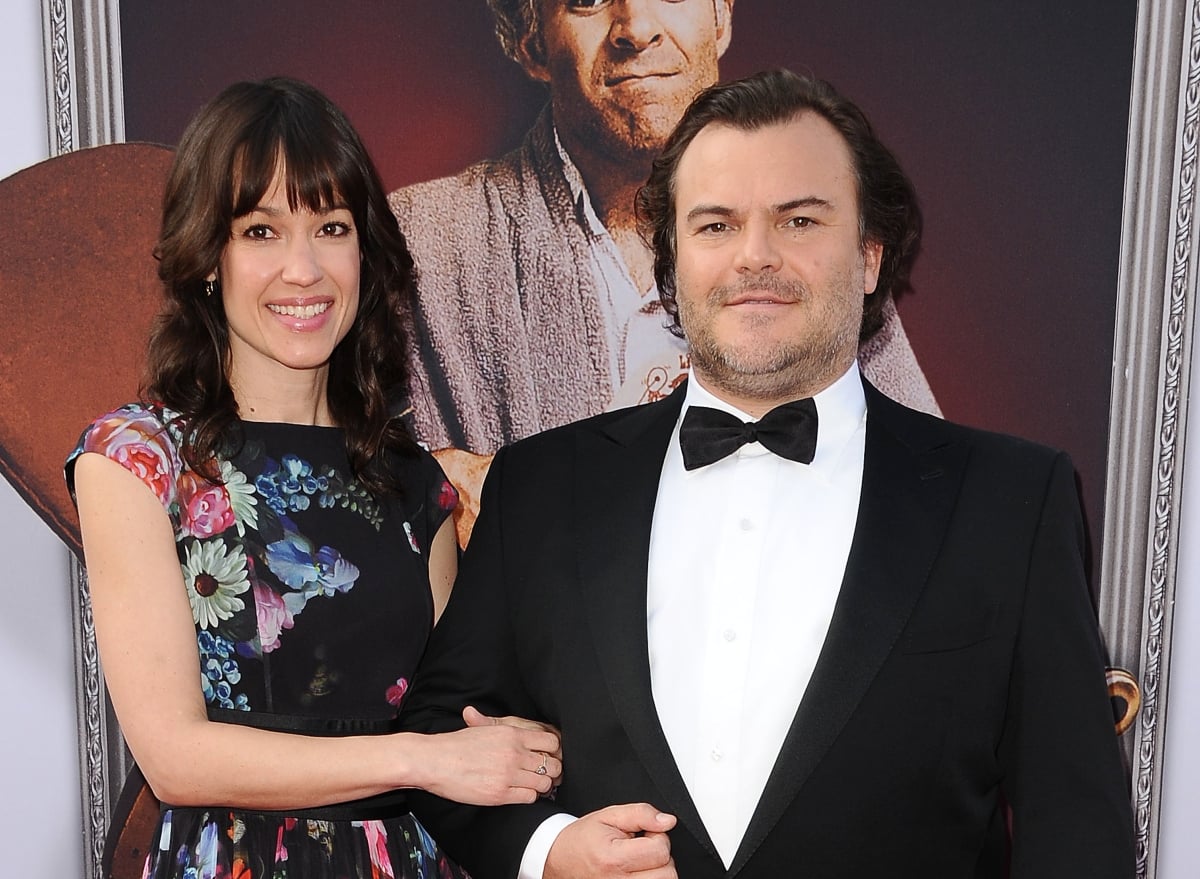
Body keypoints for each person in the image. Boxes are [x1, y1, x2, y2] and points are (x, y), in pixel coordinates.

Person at [399, 69, 1136, 878]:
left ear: (869, 255)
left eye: (799, 220)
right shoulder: (540, 485)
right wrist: (547, 851)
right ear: (671, 262)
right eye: (716, 224)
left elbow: (1077, 822)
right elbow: (441, 732)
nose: (755, 256)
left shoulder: (1011, 501)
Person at [65, 77, 562, 879]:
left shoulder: (413, 482)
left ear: (364, 251)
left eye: (331, 227)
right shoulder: (136, 459)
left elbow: (461, 721)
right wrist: (419, 758)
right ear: (208, 259)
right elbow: (175, 757)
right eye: (261, 231)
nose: (303, 269)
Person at [389, 0, 938, 462]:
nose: (637, 28)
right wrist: (430, 487)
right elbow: (348, 476)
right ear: (530, 40)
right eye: (588, 0)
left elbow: (921, 477)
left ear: (721, 15)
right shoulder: (425, 239)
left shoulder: (812, 235)